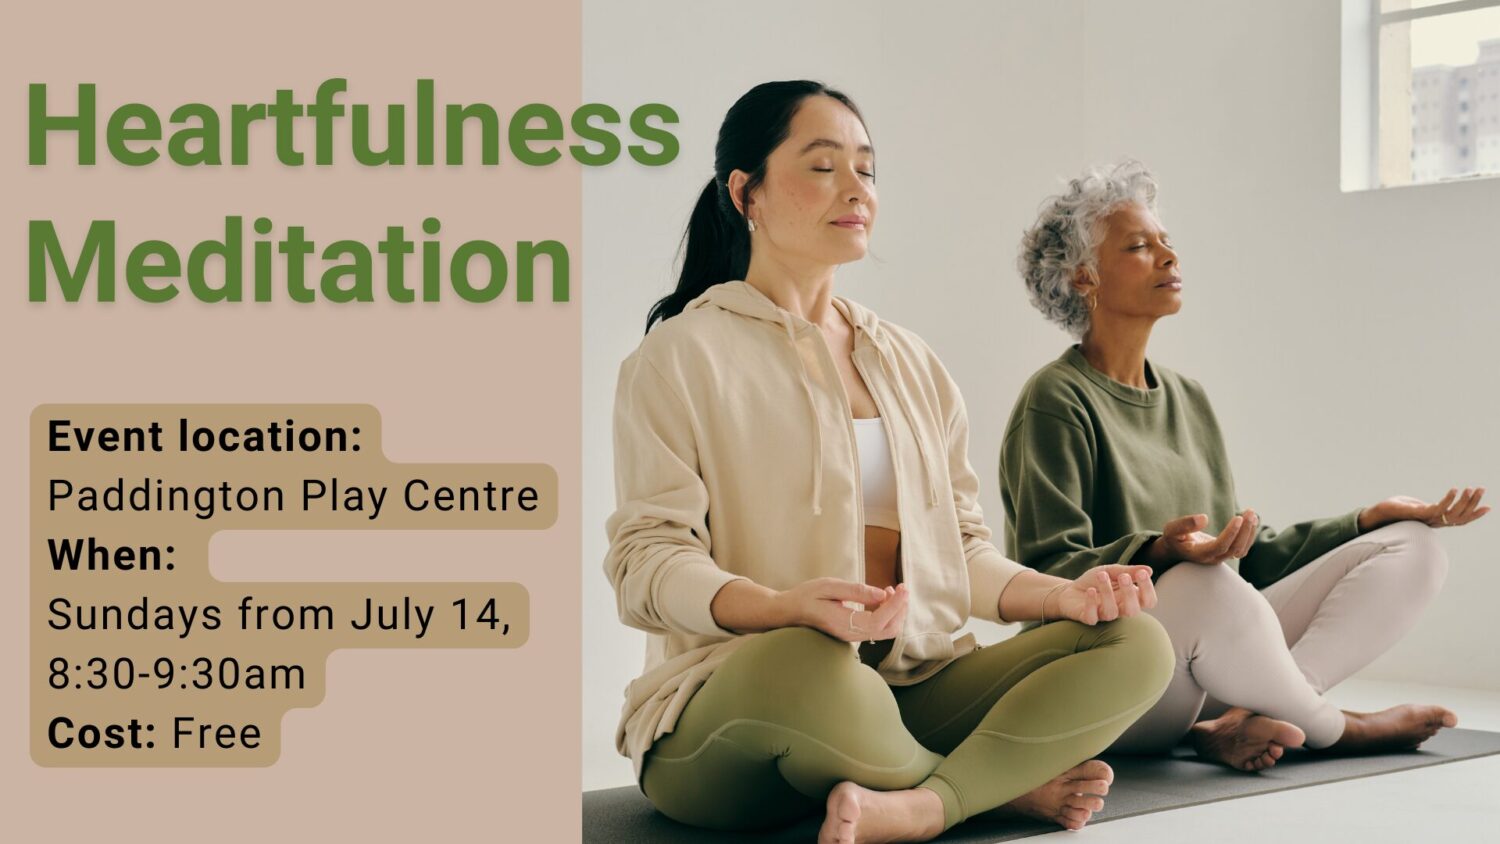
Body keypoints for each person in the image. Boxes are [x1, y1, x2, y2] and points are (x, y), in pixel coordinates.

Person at [604, 82, 1175, 843]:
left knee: (1136, 642)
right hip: (739, 709)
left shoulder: (910, 362)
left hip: (909, 686)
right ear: (747, 192)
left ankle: (919, 803)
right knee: (815, 667)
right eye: (822, 166)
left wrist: (1063, 597)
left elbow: (962, 553)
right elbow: (647, 563)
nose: (855, 189)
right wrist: (784, 608)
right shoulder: (677, 357)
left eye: (866, 170)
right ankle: (991, 788)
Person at [1003, 160, 1487, 772]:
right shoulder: (1054, 400)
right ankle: (1335, 728)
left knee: (1414, 547)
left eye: (1166, 243)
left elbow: (1244, 558)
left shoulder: (1190, 398)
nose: (1169, 258)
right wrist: (1160, 553)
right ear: (1084, 279)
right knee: (1204, 584)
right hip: (1110, 677)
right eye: (1139, 247)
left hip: (1209, 658)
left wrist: (1367, 518)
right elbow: (1046, 572)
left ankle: (1259, 716)